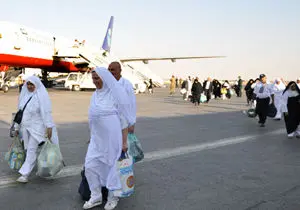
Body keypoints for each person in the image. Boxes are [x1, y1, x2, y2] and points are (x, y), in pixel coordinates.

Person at [83, 67, 134, 210]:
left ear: (105, 78)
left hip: (113, 140)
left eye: (97, 78)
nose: (95, 82)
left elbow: (123, 120)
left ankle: (113, 197)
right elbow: (93, 118)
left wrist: (124, 141)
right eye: (93, 79)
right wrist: (91, 135)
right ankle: (96, 196)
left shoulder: (114, 95)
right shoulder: (95, 95)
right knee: (90, 166)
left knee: (112, 168)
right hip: (96, 139)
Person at [14, 76, 59, 183]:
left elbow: (46, 112)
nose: (29, 86)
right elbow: (20, 112)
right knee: (32, 150)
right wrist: (16, 127)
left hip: (37, 128)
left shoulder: (41, 97)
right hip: (26, 128)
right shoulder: (24, 96)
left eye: (32, 84)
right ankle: (43, 168)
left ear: (36, 85)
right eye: (28, 84)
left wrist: (49, 126)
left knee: (31, 149)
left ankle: (25, 174)